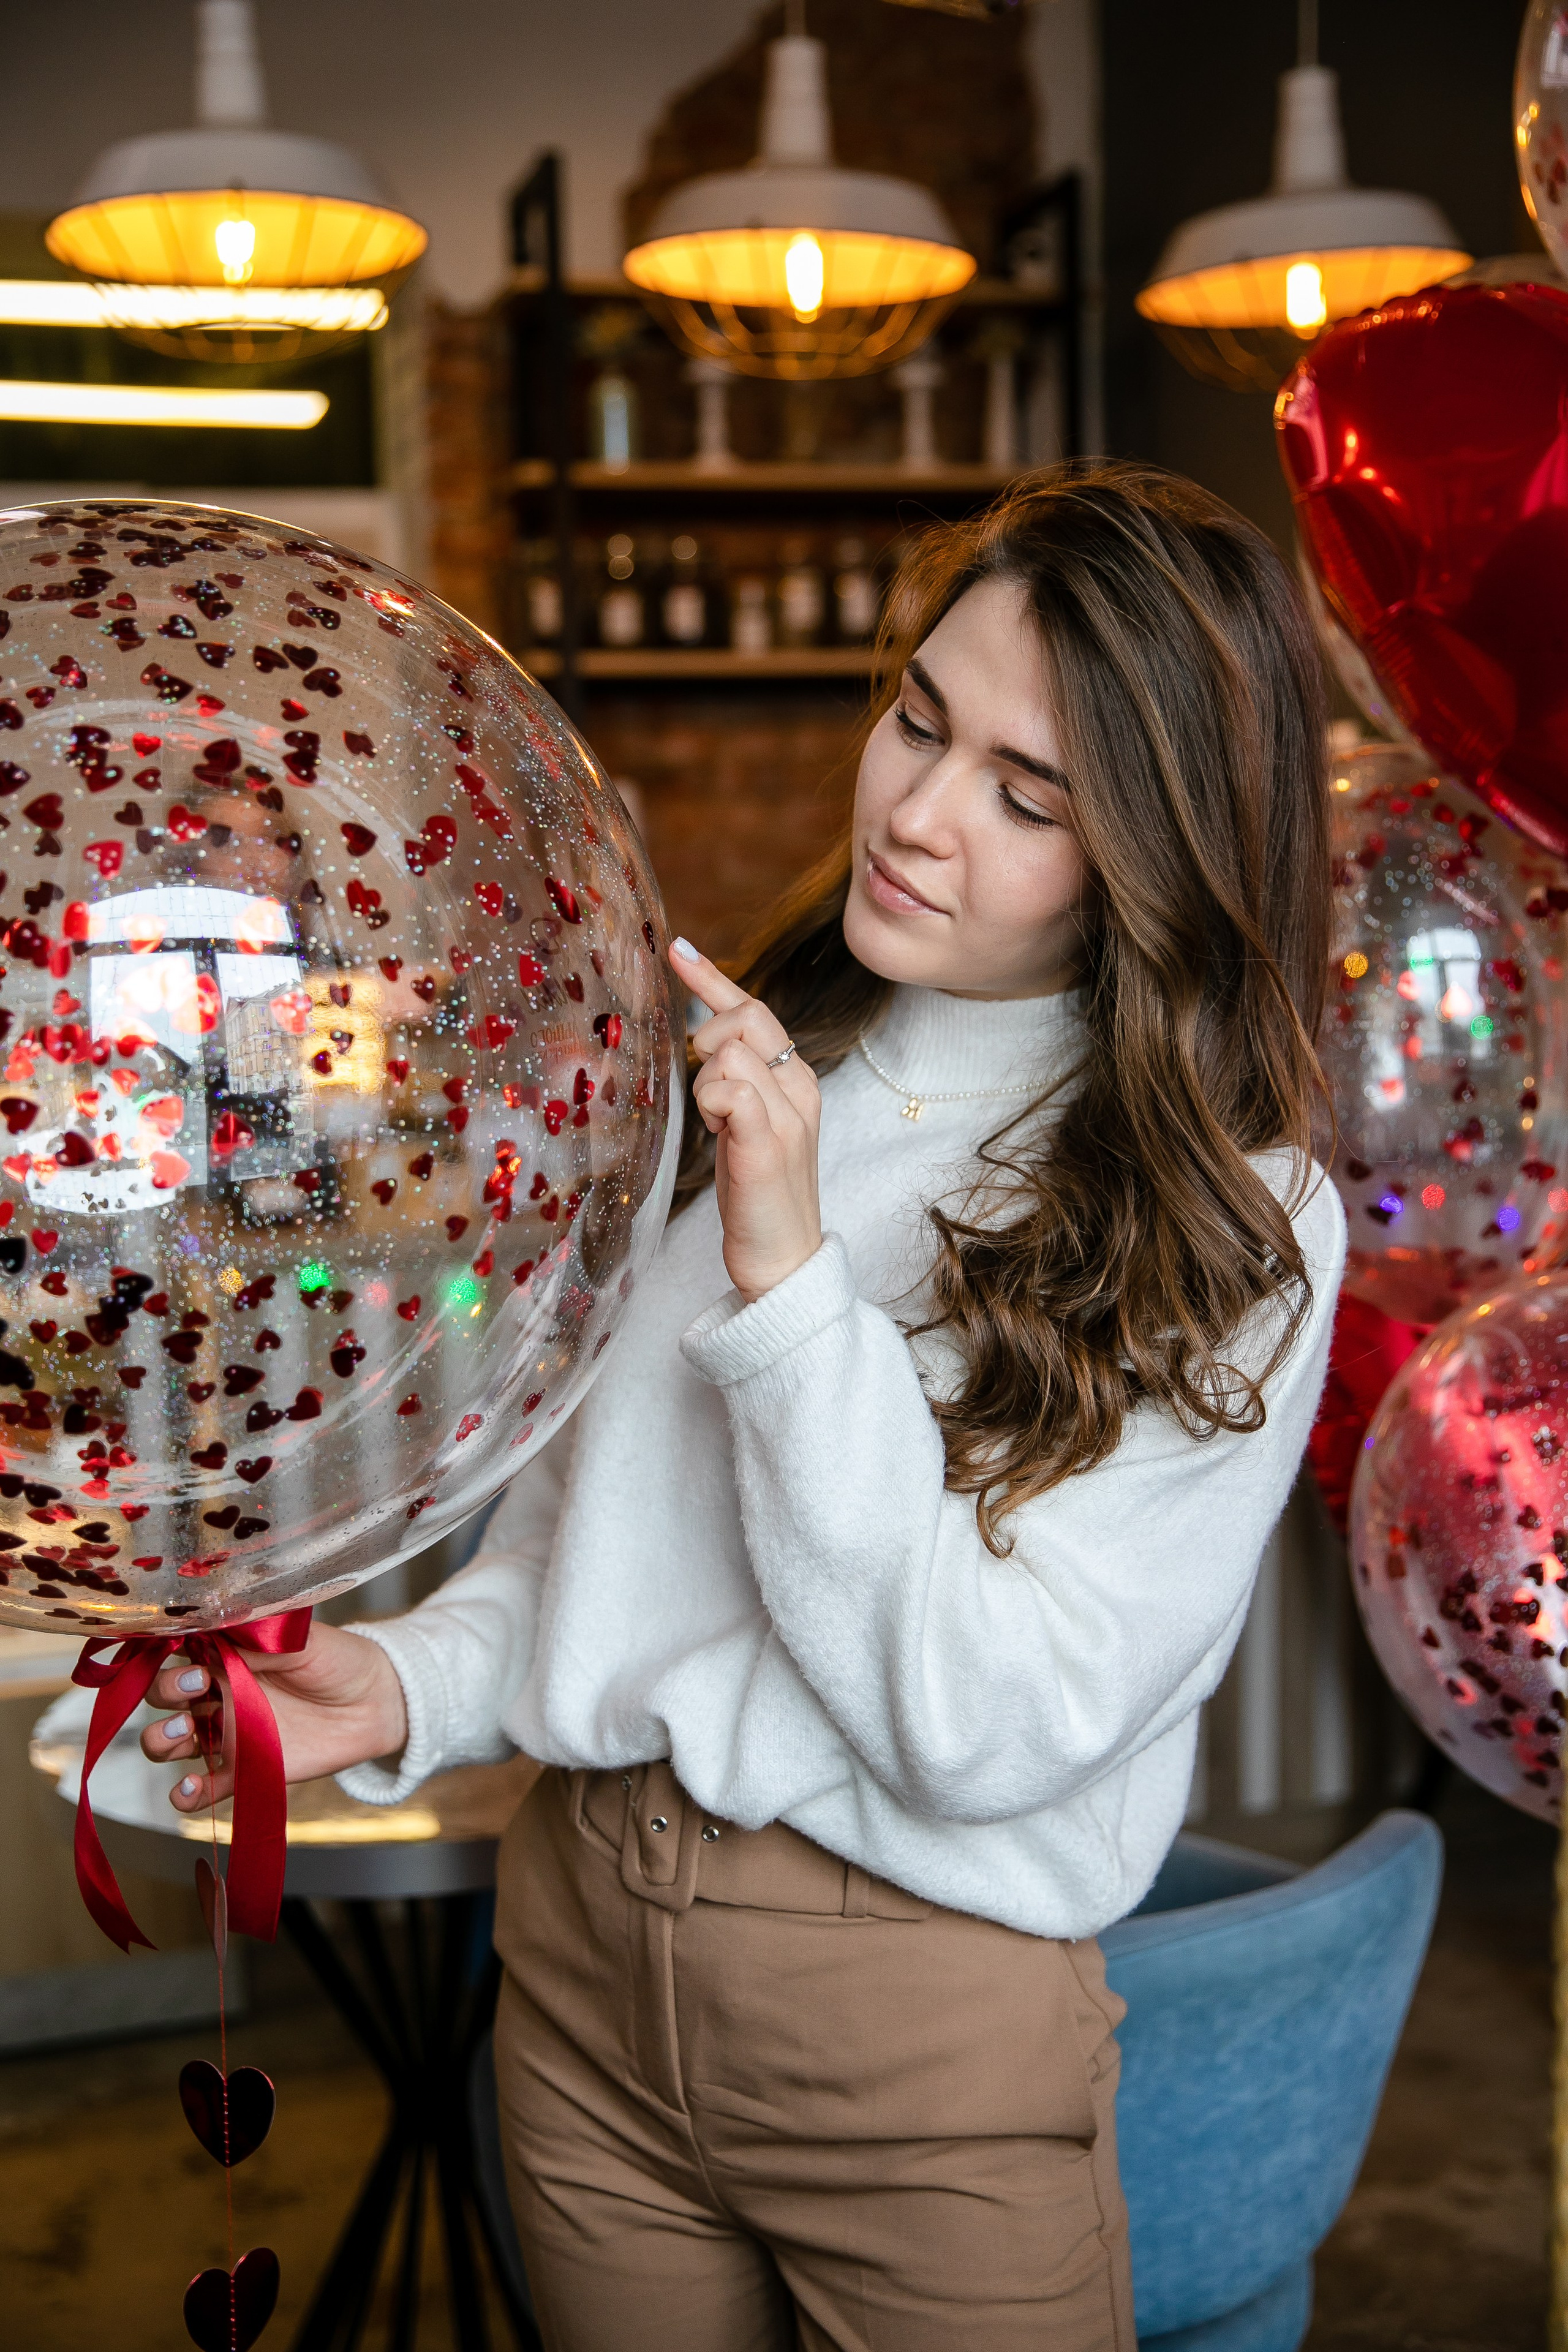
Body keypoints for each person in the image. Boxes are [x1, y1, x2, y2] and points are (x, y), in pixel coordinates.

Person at [142, 462, 1346, 2352]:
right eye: (920, 720)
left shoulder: (1239, 1217)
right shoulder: (778, 1053)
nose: (921, 815)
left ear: (1163, 855)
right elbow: (595, 1556)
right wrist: (405, 1685)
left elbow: (983, 1721)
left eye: (1029, 797)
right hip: (576, 1962)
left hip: (915, 2023)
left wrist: (795, 1291)